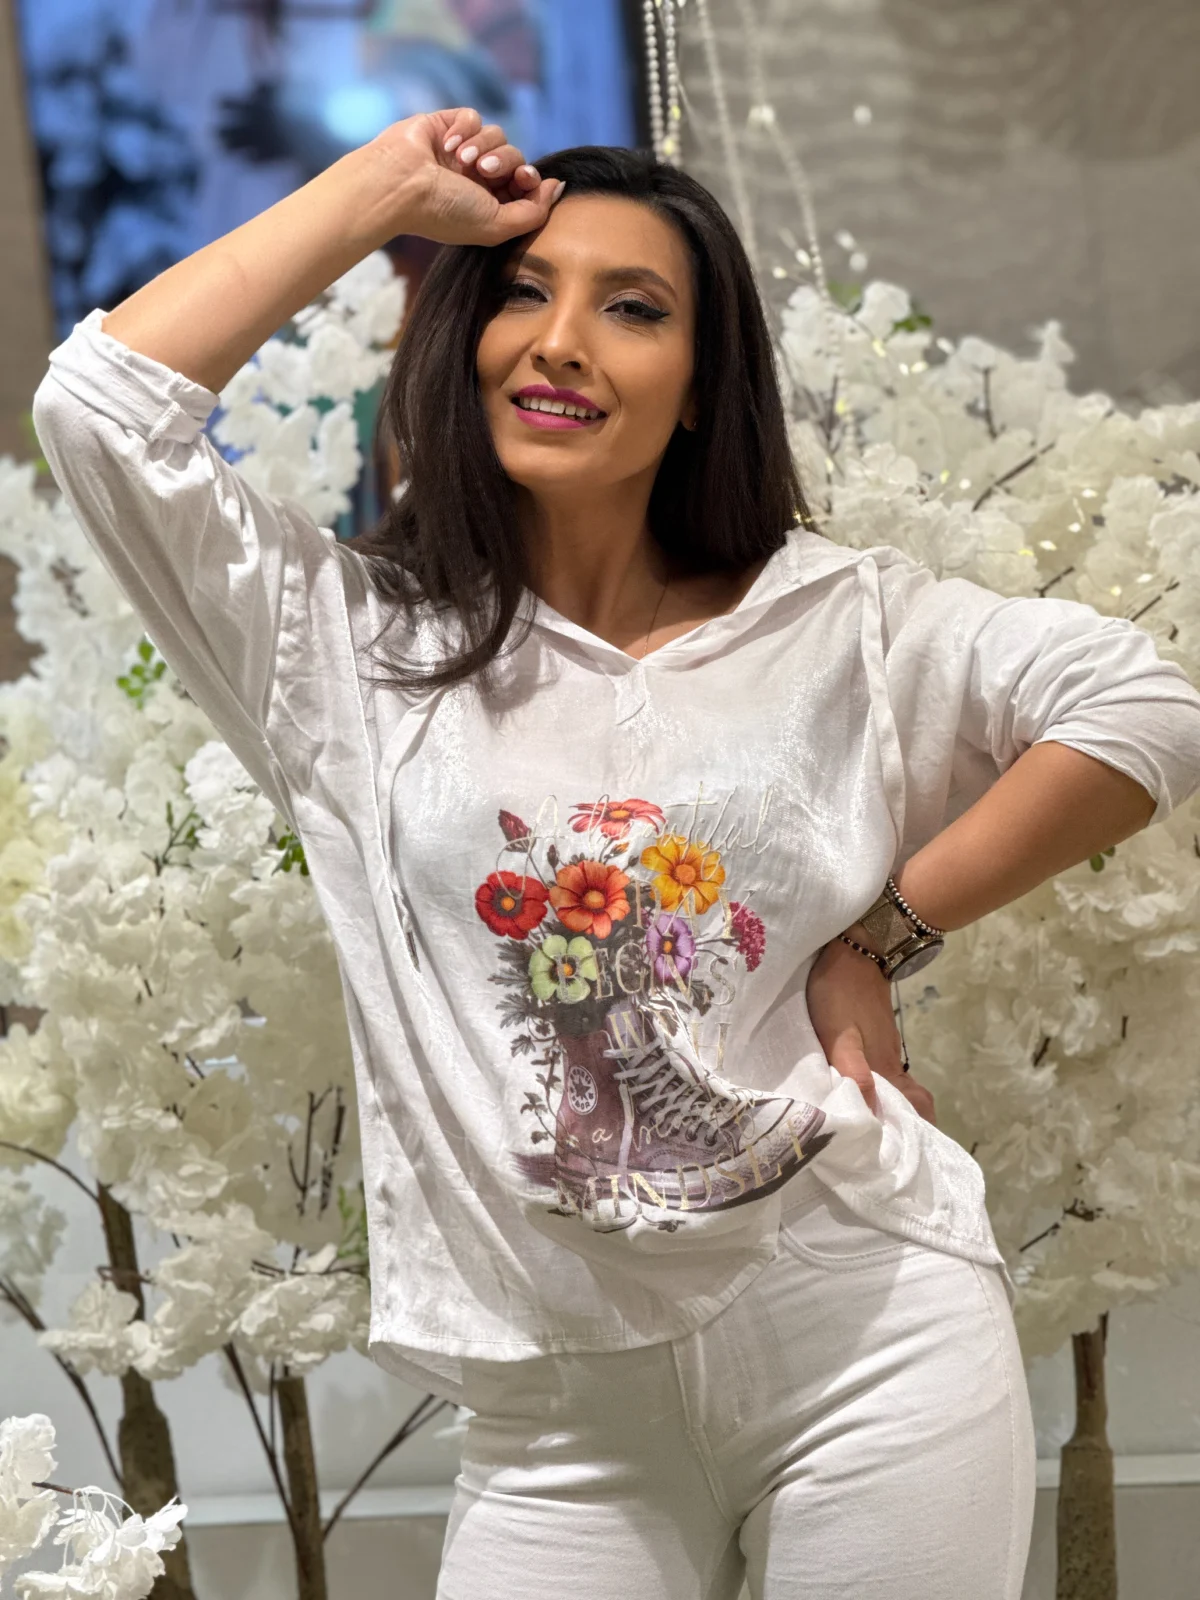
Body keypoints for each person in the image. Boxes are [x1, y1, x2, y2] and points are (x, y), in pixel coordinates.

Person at [32, 107, 1200, 1599]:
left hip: (864, 1330)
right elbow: (99, 409)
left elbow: (1143, 709)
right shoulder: (344, 650)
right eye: (523, 293)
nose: (563, 341)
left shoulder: (839, 620)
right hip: (556, 1422)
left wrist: (882, 936)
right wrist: (382, 188)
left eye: (633, 308)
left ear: (703, 387)